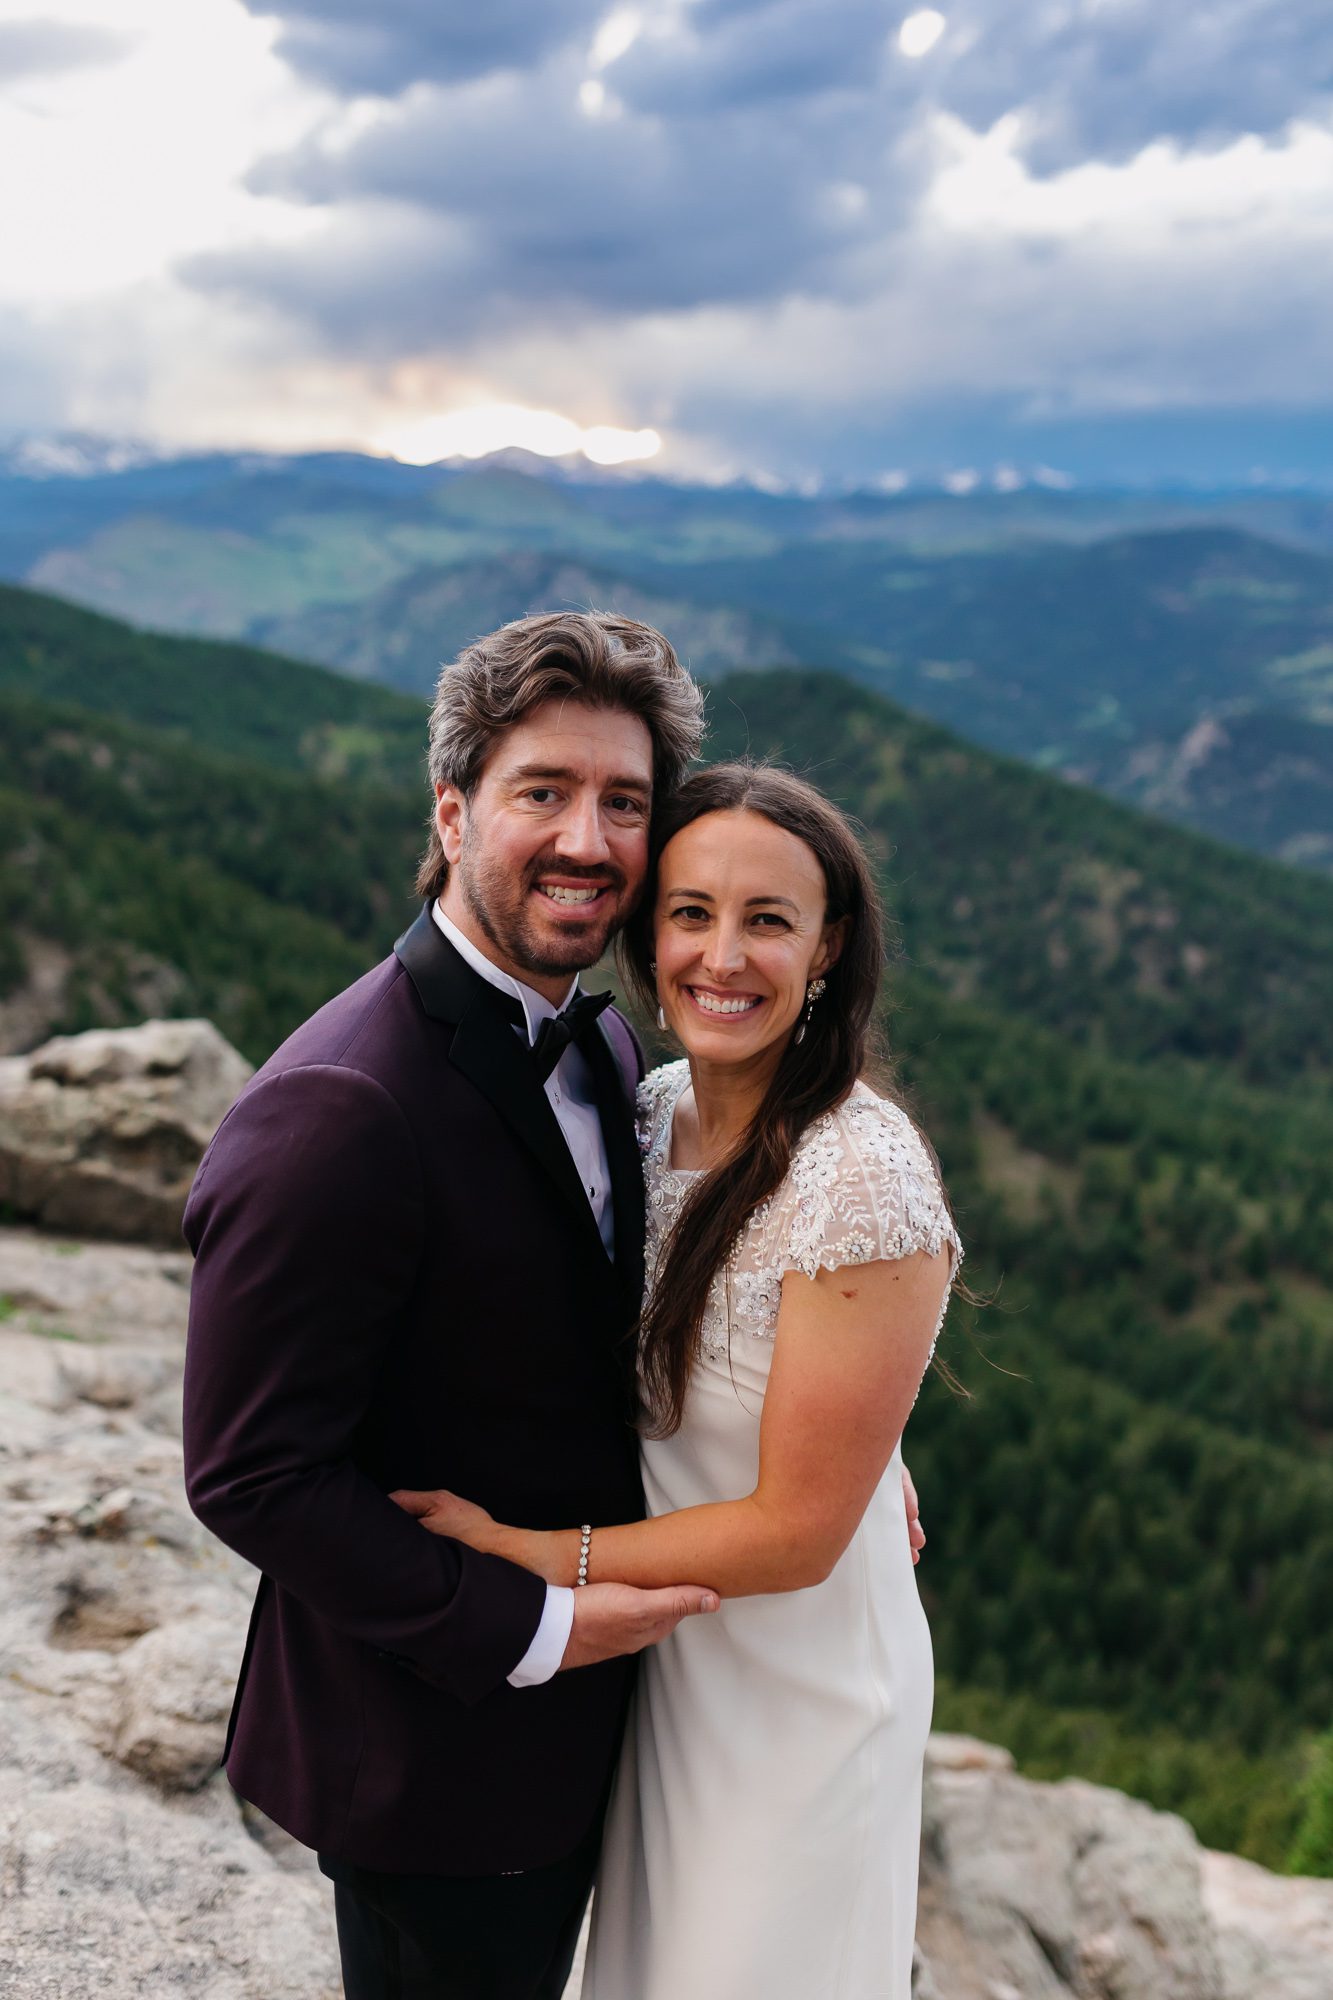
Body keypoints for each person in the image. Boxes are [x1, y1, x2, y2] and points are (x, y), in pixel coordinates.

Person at [181, 611, 722, 2000]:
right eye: (543, 791)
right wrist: (536, 1629)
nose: (589, 842)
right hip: (433, 1752)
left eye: (624, 803)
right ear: (453, 808)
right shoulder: (339, 1106)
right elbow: (251, 1473)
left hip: (588, 1734)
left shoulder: (600, 1033)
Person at [391, 762, 961, 2000]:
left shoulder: (859, 1174)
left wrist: (530, 1554)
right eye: (692, 911)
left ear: (828, 946)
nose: (724, 955)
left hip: (796, 1680)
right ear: (649, 930)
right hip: (669, 1664)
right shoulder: (645, 1111)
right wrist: (871, 1442)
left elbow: (797, 1532)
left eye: (769, 919)